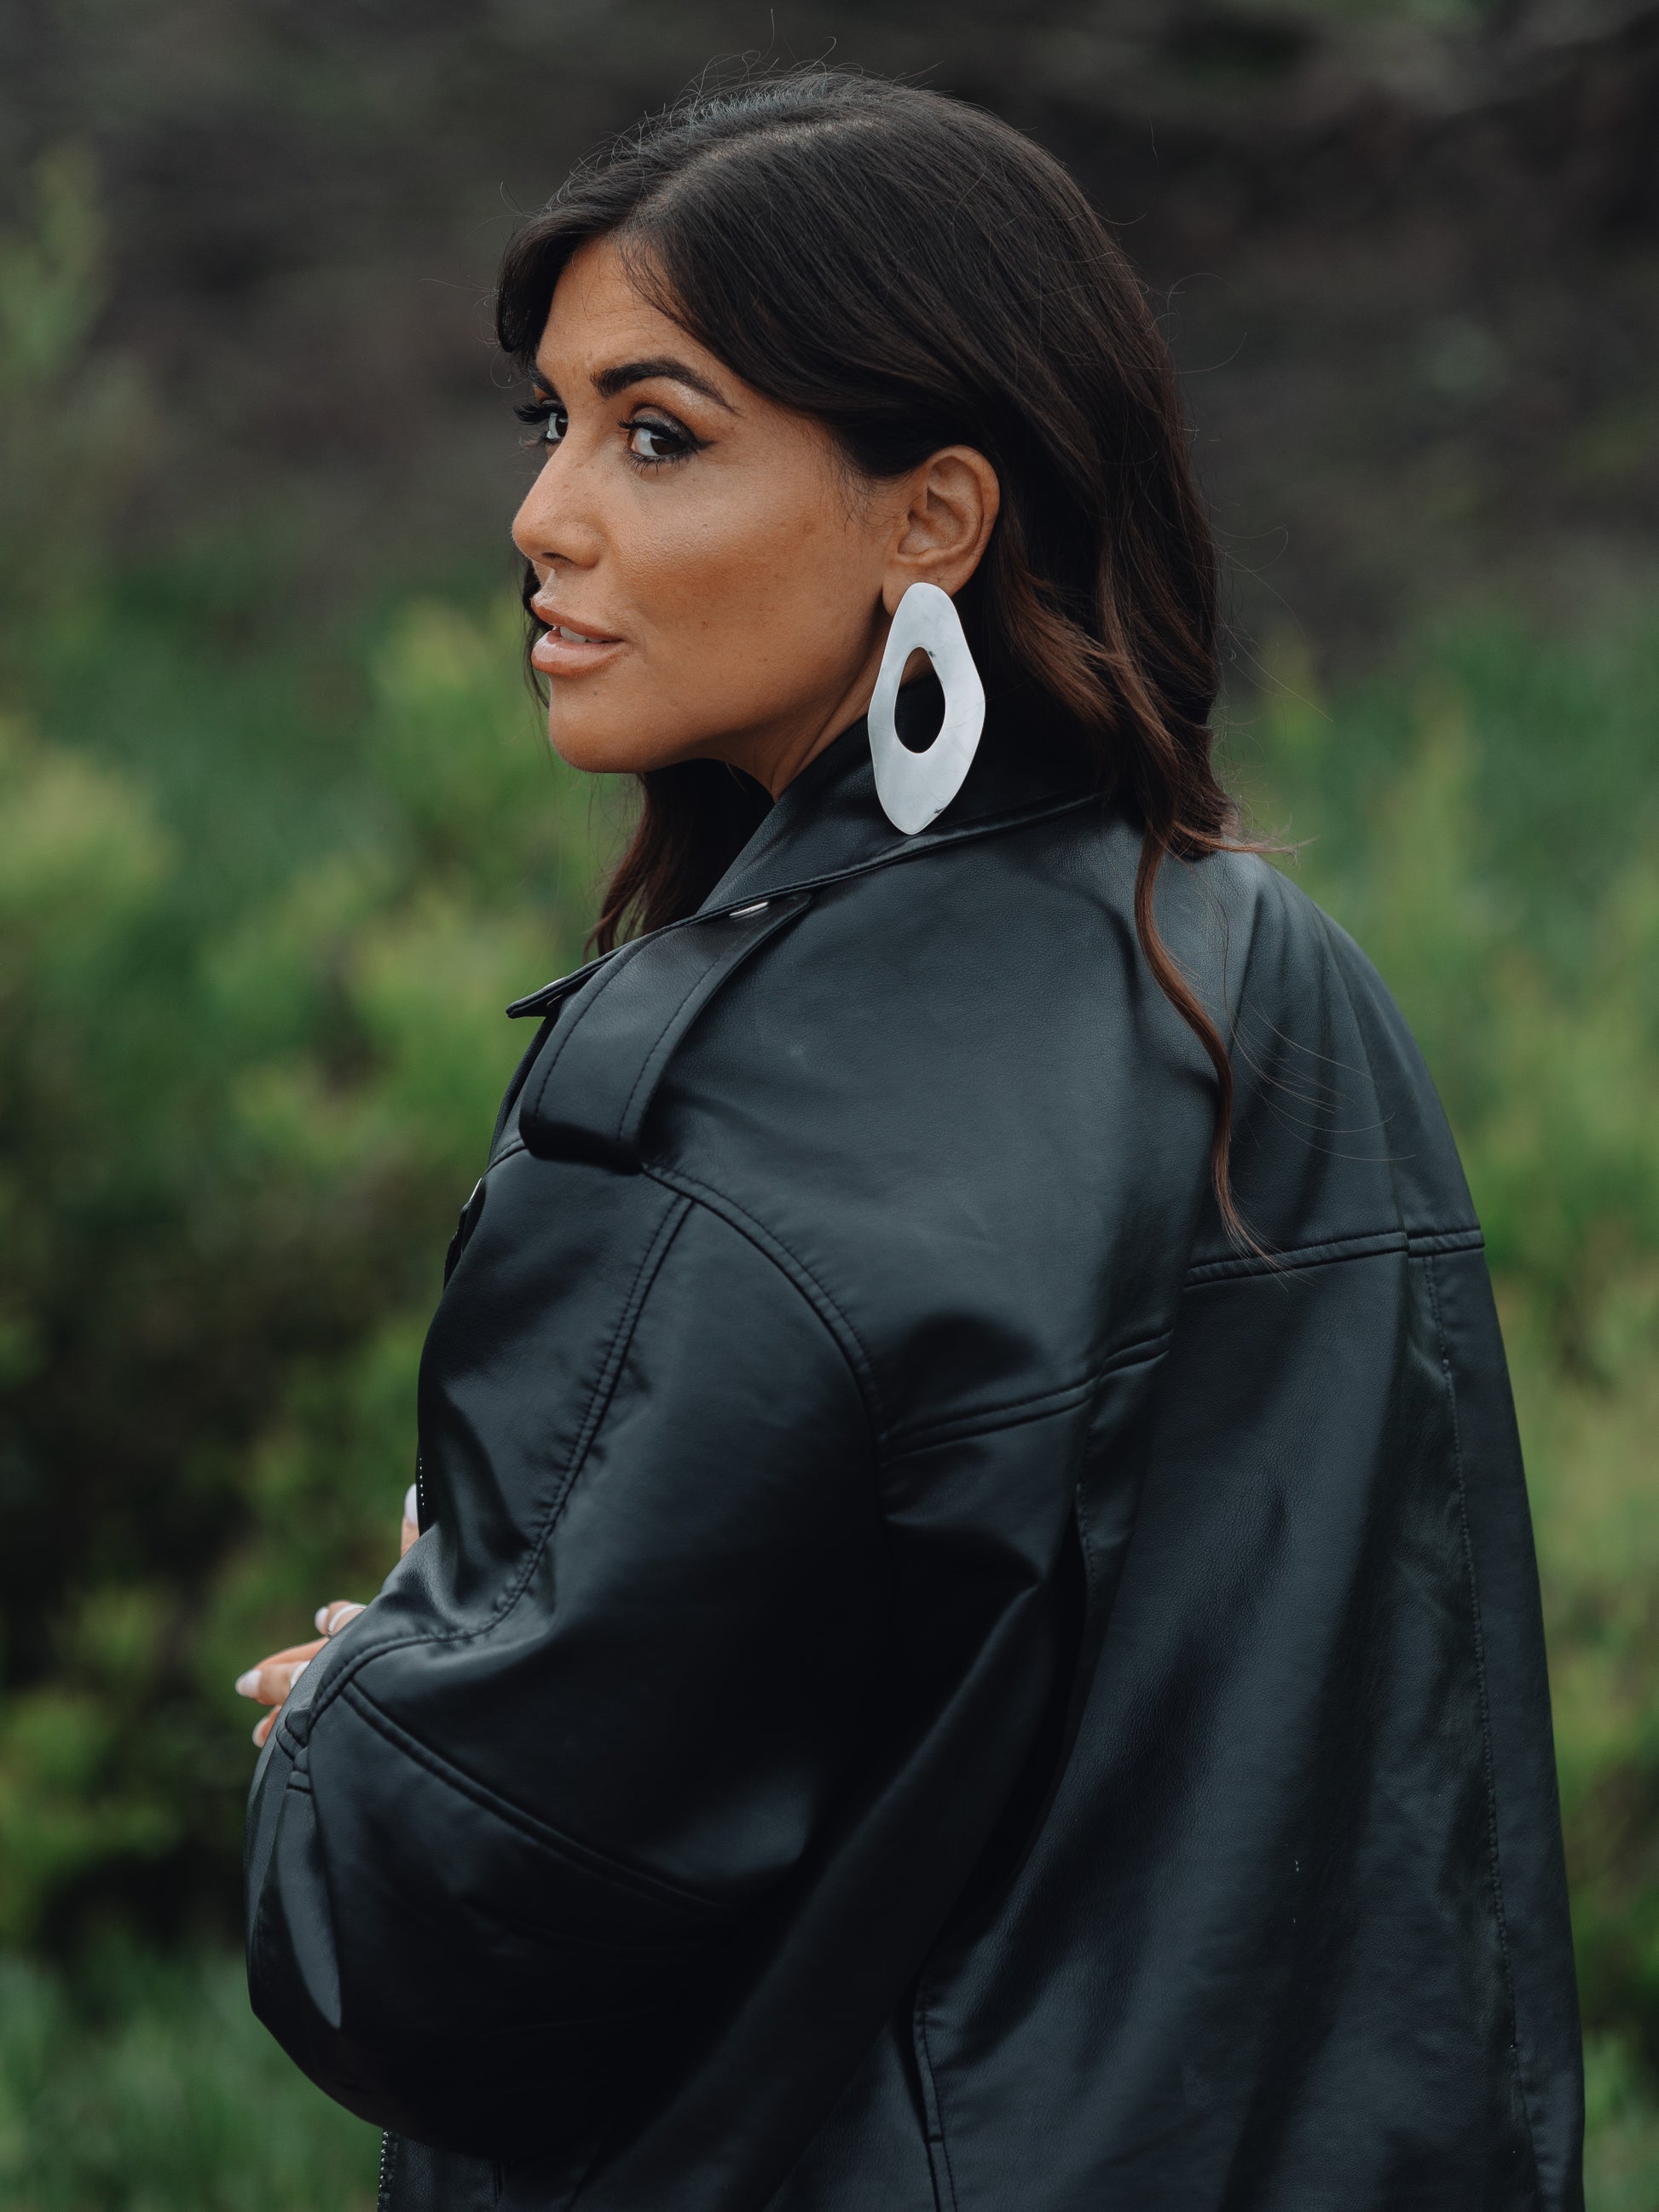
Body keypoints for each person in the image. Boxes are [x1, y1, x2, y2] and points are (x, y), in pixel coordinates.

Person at [239, 70, 1584, 2212]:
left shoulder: (711, 1089)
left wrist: (366, 1705)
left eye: (656, 434)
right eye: (549, 423)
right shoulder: (1260, 971)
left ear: (933, 515)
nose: (545, 515)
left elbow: (438, 1946)